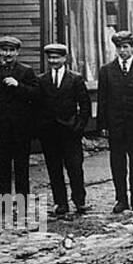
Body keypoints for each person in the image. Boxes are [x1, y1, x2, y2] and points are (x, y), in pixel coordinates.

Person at [97, 29, 133, 215]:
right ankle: (121, 200)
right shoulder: (106, 71)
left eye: (125, 47)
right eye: (119, 48)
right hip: (115, 126)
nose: (122, 51)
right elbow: (103, 100)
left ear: (132, 48)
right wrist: (103, 125)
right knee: (117, 164)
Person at [37, 42, 92, 218]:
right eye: (50, 58)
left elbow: (85, 105)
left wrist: (79, 126)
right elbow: (36, 106)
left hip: (70, 133)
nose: (53, 61)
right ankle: (60, 203)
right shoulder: (42, 80)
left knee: (75, 167)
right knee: (54, 169)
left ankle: (79, 201)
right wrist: (42, 127)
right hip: (50, 133)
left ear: (64, 58)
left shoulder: (75, 79)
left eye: (57, 57)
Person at [0, 35, 39, 199]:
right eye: (4, 50)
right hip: (1, 127)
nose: (7, 54)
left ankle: (23, 201)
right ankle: (4, 203)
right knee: (3, 166)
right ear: (0, 52)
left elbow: (36, 95)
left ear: (17, 52)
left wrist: (18, 85)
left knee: (21, 166)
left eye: (11, 50)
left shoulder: (26, 71)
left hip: (21, 127)